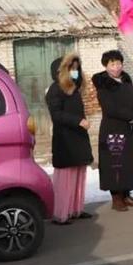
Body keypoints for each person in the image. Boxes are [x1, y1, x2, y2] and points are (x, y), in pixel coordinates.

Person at [92, 50, 133, 212]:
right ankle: (116, 198)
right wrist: (131, 116)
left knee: (129, 162)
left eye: (119, 63)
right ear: (106, 66)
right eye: (112, 64)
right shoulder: (103, 84)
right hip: (113, 129)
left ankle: (127, 195)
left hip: (129, 128)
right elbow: (110, 108)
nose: (117, 67)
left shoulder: (126, 79)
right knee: (115, 164)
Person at [46, 53, 93, 225]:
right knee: (66, 178)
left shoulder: (74, 89)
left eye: (76, 69)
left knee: (79, 175)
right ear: (61, 71)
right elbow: (56, 115)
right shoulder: (55, 89)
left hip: (78, 137)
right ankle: (61, 213)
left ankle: (75, 209)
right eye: (71, 69)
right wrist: (78, 121)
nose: (75, 72)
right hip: (65, 140)